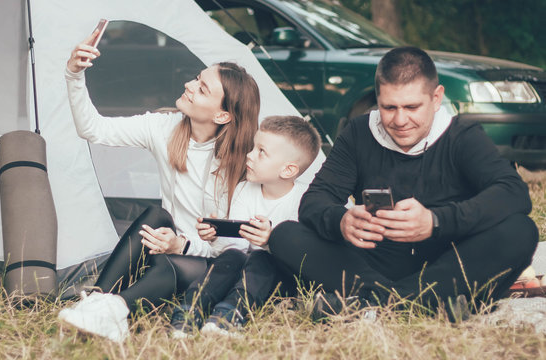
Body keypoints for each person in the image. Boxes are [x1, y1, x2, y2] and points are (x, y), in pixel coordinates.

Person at [269, 46, 539, 321]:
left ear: (436, 98)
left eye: (411, 107)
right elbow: (315, 200)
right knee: (284, 235)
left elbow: (513, 193)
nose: (400, 120)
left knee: (521, 230)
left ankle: (374, 304)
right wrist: (341, 220)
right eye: (389, 107)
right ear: (378, 99)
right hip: (371, 264)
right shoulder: (359, 132)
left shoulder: (462, 136)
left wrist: (435, 221)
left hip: (448, 262)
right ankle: (419, 305)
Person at [58, 29, 260, 342]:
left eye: (202, 88)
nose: (189, 85)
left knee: (171, 262)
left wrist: (182, 245)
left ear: (223, 114)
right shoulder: (164, 128)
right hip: (165, 244)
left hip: (213, 266)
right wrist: (74, 75)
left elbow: (235, 247)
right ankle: (97, 302)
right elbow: (93, 129)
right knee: (154, 215)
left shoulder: (246, 163)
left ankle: (113, 308)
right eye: (196, 78)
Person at [169, 115, 322, 337]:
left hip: (280, 279)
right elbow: (234, 248)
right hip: (245, 272)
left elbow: (304, 259)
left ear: (288, 170)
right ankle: (189, 312)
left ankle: (229, 315)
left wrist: (271, 242)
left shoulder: (304, 200)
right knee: (231, 256)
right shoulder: (244, 190)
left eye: (261, 152)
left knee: (261, 257)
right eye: (253, 147)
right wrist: (214, 237)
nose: (249, 155)